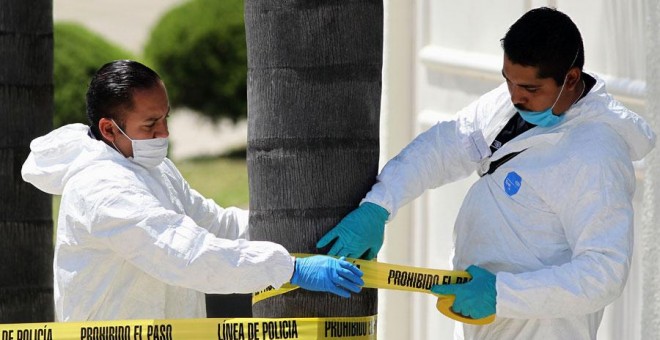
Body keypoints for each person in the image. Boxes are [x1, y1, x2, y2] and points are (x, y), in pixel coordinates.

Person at [316, 7, 656, 340]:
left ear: (570, 79)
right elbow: (444, 146)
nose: (515, 96)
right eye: (508, 80)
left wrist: (501, 294)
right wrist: (380, 204)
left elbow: (603, 274)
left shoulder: (596, 153)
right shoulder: (511, 102)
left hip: (539, 328)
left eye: (530, 89)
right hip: (480, 317)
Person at [21, 59, 364, 322]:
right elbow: (186, 254)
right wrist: (288, 269)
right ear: (109, 129)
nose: (164, 132)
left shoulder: (154, 169)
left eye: (166, 118)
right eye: (150, 124)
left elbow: (216, 225)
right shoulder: (100, 189)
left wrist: (301, 231)